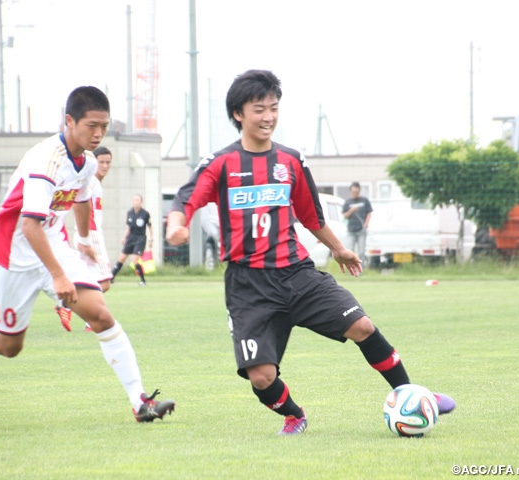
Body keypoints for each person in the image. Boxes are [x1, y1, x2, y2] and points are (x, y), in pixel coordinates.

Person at [165, 69, 455, 435]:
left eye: (273, 107)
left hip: (296, 274)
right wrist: (177, 224)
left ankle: (412, 393)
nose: (268, 116)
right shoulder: (221, 164)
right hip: (248, 285)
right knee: (260, 376)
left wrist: (339, 249)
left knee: (362, 326)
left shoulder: (290, 162)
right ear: (238, 114)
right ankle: (294, 414)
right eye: (259, 109)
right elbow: (184, 198)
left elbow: (310, 214)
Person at [0, 86, 175, 423]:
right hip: (11, 255)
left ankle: (139, 402)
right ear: (69, 120)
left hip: (53, 246)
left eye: (104, 127)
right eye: (91, 125)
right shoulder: (46, 160)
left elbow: (81, 197)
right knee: (10, 347)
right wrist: (59, 275)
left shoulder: (88, 162)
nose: (98, 134)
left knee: (101, 315)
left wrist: (83, 239)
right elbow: (30, 225)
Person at [55, 146, 114, 332]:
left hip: (86, 234)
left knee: (84, 279)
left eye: (108, 162)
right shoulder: (93, 183)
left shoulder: (95, 183)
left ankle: (85, 318)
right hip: (91, 234)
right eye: (101, 162)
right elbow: (84, 211)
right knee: (104, 282)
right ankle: (67, 306)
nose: (104, 166)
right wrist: (86, 241)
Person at [111, 194, 153, 286]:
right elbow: (128, 227)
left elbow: (150, 227)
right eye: (134, 200)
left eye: (137, 200)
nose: (135, 202)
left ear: (141, 202)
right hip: (131, 237)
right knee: (121, 258)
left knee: (135, 260)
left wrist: (151, 240)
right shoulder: (130, 212)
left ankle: (143, 281)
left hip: (140, 238)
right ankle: (111, 277)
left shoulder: (145, 214)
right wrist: (124, 237)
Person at [342, 181, 372, 266]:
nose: (355, 193)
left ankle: (360, 270)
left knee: (361, 251)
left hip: (361, 230)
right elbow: (345, 216)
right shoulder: (348, 202)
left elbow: (369, 213)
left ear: (359, 191)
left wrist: (366, 224)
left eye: (357, 191)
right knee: (350, 250)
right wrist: (351, 211)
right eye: (353, 191)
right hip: (351, 230)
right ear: (350, 191)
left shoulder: (364, 200)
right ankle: (351, 269)